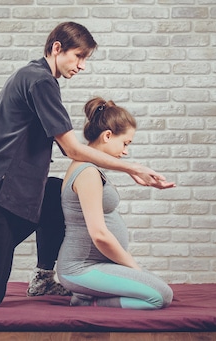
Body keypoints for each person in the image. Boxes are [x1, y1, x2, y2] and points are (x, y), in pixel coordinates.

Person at [0, 22, 174, 310]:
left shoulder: (37, 78)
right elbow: (73, 148)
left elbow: (67, 149)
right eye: (79, 56)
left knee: (54, 193)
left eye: (85, 59)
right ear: (56, 48)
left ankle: (42, 277)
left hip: (13, 199)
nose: (82, 66)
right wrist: (133, 168)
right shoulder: (40, 81)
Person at [56, 97, 173, 309]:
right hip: (81, 269)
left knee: (158, 288)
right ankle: (88, 301)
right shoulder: (88, 172)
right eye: (125, 143)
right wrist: (134, 268)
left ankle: (86, 298)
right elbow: (99, 235)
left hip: (96, 266)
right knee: (160, 296)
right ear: (108, 136)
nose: (126, 151)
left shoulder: (90, 167)